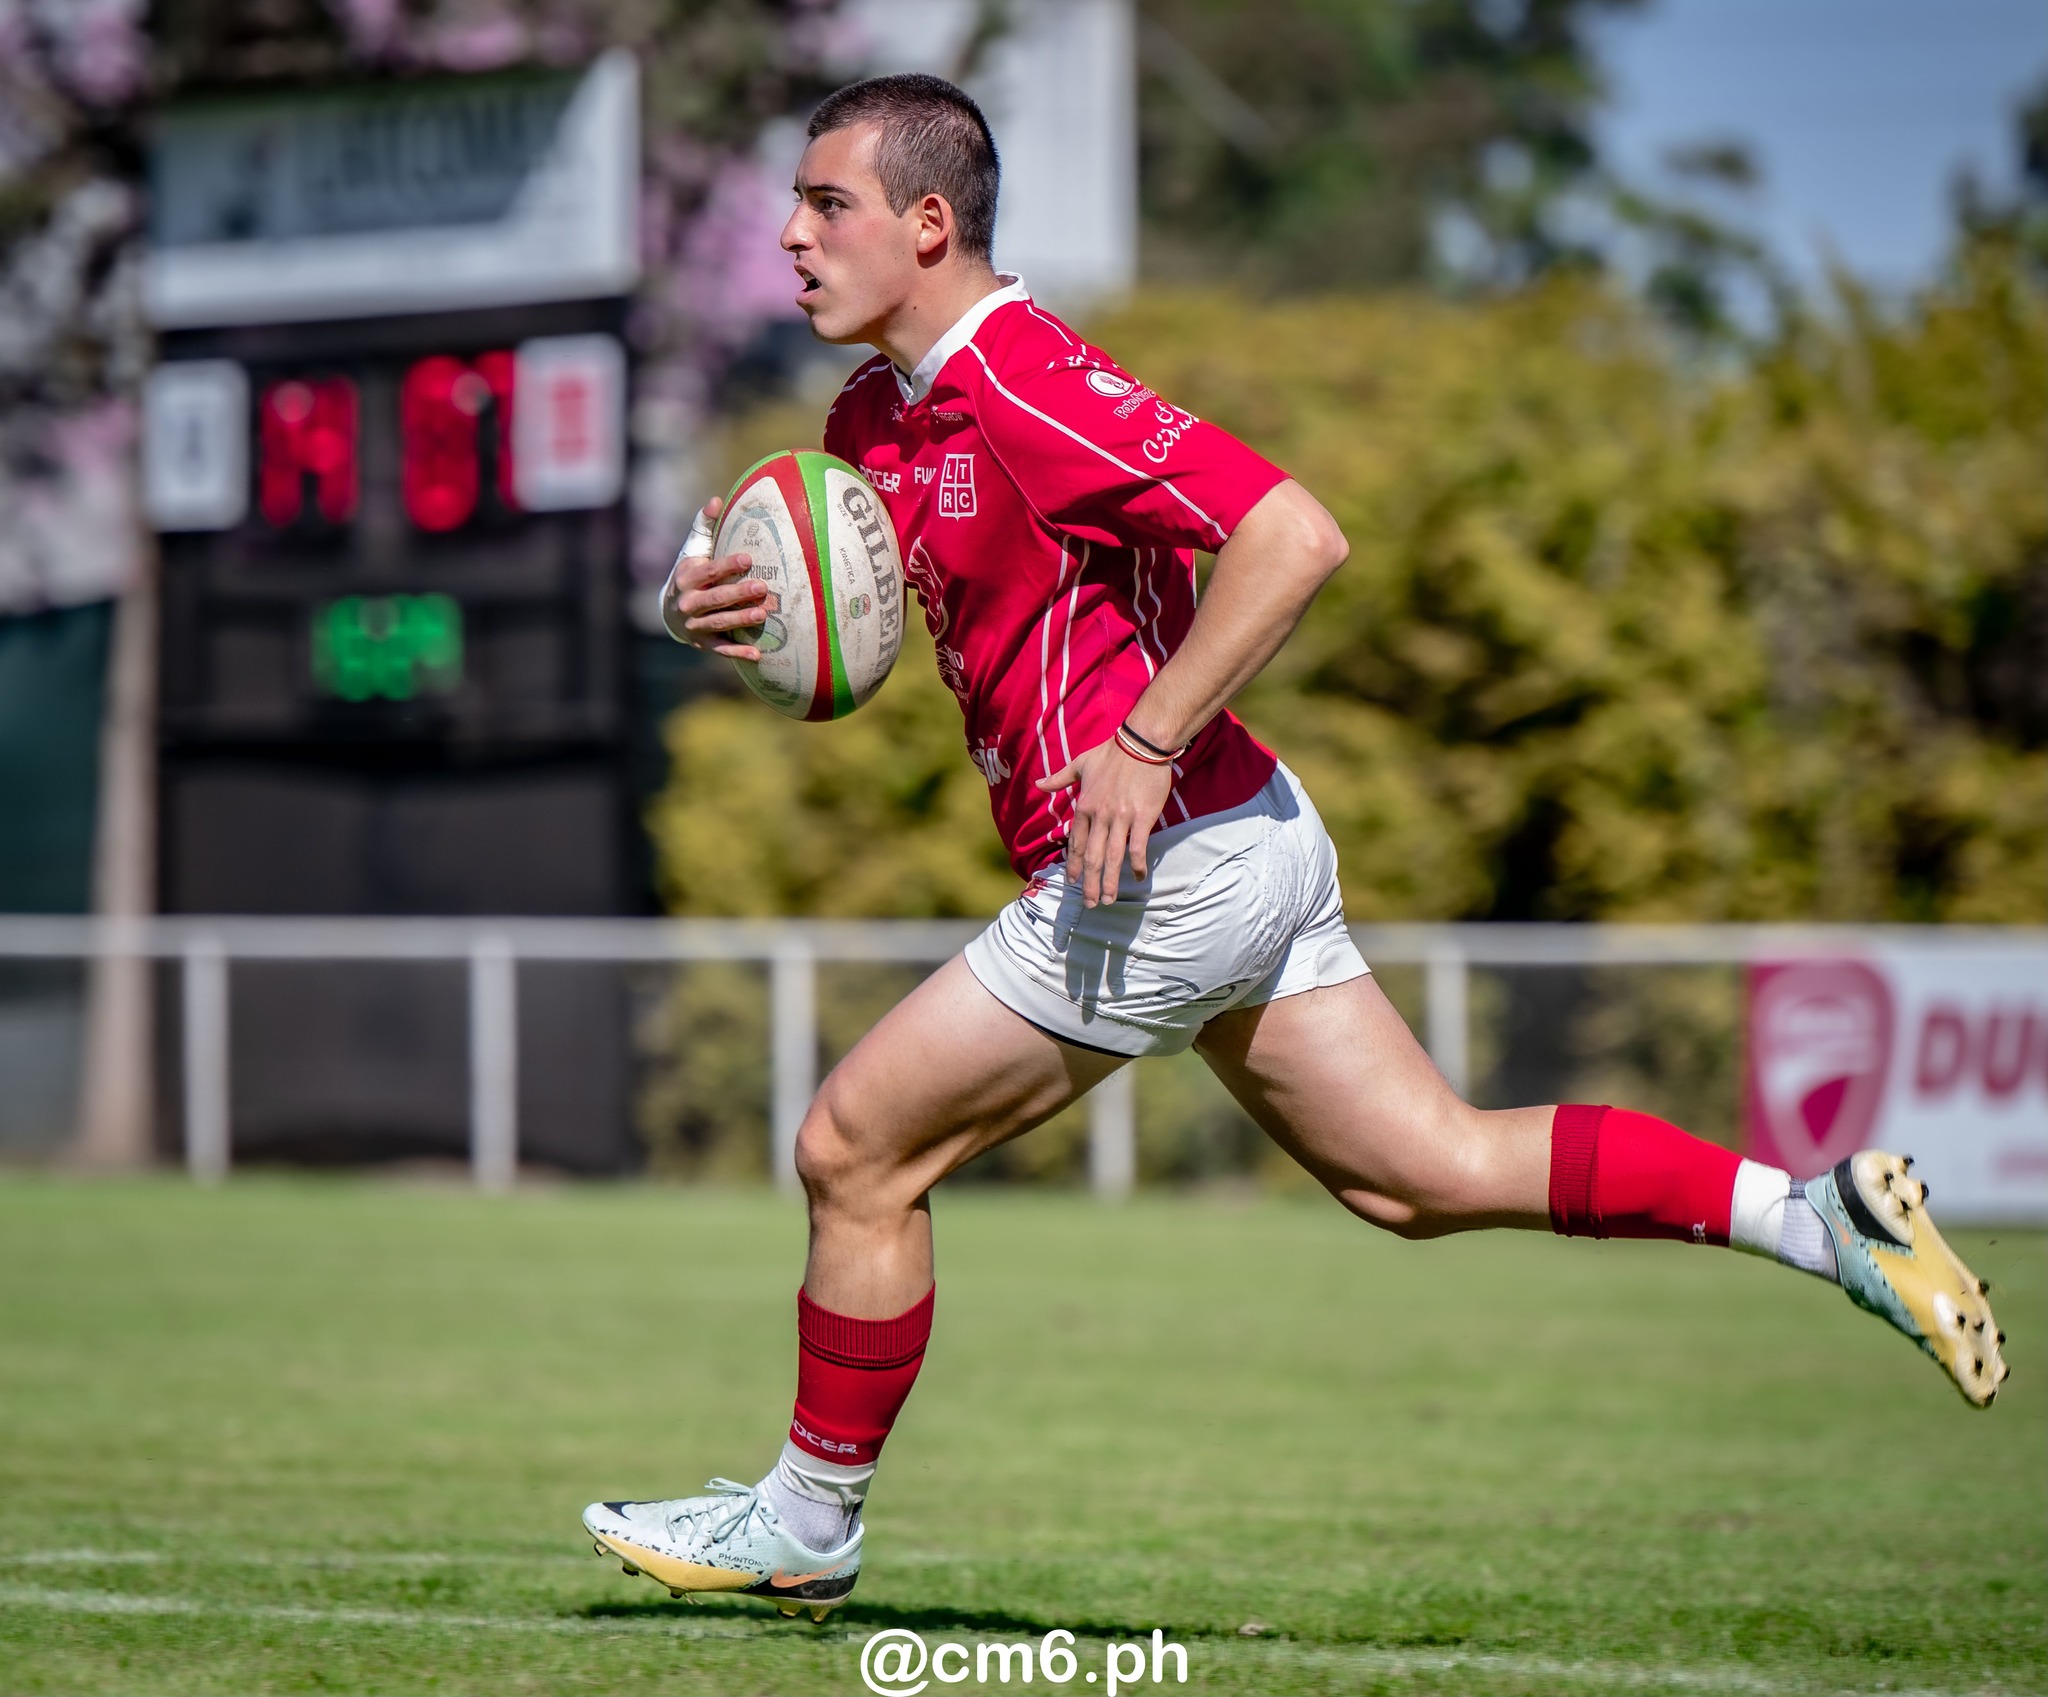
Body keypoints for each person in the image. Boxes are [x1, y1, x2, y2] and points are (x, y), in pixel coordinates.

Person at [583, 73, 2007, 1621]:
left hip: (1163, 862)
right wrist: (702, 600)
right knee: (1426, 1173)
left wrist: (1137, 743)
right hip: (1240, 834)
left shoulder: (1025, 375)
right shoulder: (881, 413)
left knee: (853, 1150)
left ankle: (807, 1520)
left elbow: (1295, 534)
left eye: (827, 205)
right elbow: (844, 627)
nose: (789, 236)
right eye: (794, 206)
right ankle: (1821, 1220)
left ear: (931, 225)